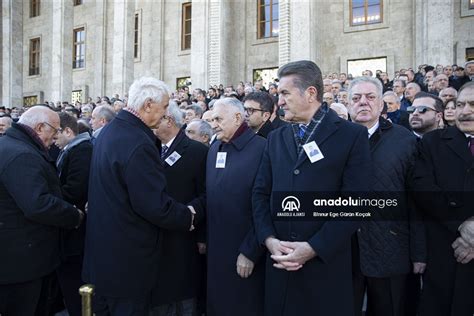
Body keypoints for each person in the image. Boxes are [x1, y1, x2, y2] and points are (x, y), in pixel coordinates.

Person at [252, 60, 371, 316]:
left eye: (285, 93)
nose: (279, 102)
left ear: (311, 93)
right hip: (279, 266)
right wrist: (269, 239)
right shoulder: (275, 138)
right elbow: (260, 193)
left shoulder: (352, 136)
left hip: (325, 270)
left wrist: (314, 247)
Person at [83, 77, 204, 315]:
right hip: (128, 264)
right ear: (148, 105)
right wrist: (187, 215)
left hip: (106, 259)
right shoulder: (138, 142)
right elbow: (152, 204)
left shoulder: (110, 132)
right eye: (165, 106)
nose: (167, 113)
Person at [347, 77, 426, 316]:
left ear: (382, 105)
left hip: (391, 248)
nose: (363, 103)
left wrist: (419, 253)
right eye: (356, 98)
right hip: (344, 251)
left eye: (370, 97)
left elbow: (417, 201)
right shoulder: (334, 140)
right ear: (348, 104)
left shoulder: (404, 140)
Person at [0, 106, 83, 315]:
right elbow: (38, 204)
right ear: (39, 127)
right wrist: (74, 215)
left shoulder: (12, 146)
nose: (55, 137)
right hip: (23, 264)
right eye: (54, 131)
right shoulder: (21, 154)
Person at [411, 82, 474, 316]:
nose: (465, 111)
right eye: (460, 105)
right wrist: (462, 225)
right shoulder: (432, 143)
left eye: (473, 105)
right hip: (444, 255)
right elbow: (422, 189)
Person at [206, 98, 266, 316]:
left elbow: (266, 206)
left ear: (238, 118)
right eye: (212, 119)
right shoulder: (215, 149)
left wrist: (250, 251)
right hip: (215, 254)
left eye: (218, 119)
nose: (213, 124)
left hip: (245, 254)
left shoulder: (262, 149)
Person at [151, 102, 207, 316]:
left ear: (169, 120)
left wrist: (189, 213)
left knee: (183, 297)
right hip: (155, 236)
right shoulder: (150, 148)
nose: (153, 123)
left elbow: (206, 194)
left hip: (185, 233)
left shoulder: (197, 151)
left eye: (158, 118)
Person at [54, 112, 93, 316]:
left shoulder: (82, 150)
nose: (54, 141)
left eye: (56, 135)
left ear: (68, 131)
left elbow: (76, 188)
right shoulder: (73, 148)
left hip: (77, 228)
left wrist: (50, 195)